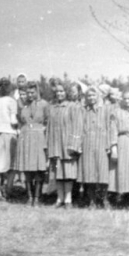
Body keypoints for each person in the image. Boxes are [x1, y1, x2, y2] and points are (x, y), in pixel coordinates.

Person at [46, 80, 83, 209]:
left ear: (66, 92)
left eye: (61, 91)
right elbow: (49, 128)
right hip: (55, 144)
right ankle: (59, 198)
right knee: (58, 173)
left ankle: (68, 199)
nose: (59, 94)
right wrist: (48, 146)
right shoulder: (52, 108)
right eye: (57, 92)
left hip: (67, 145)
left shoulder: (73, 106)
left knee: (68, 174)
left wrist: (74, 145)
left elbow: (77, 126)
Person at [79, 86, 117, 208]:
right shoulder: (83, 110)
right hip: (87, 145)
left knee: (102, 174)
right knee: (89, 174)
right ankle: (92, 201)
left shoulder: (106, 110)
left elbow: (111, 128)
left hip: (102, 145)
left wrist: (111, 145)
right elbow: (79, 128)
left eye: (93, 95)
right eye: (89, 96)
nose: (91, 98)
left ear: (98, 96)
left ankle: (104, 200)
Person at [13, 82, 48, 206]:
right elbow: (18, 120)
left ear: (37, 92)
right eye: (27, 92)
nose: (30, 95)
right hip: (25, 137)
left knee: (39, 168)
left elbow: (48, 121)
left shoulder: (44, 104)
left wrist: (42, 131)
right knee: (27, 169)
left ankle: (37, 197)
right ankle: (29, 196)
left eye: (32, 92)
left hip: (39, 138)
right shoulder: (21, 105)